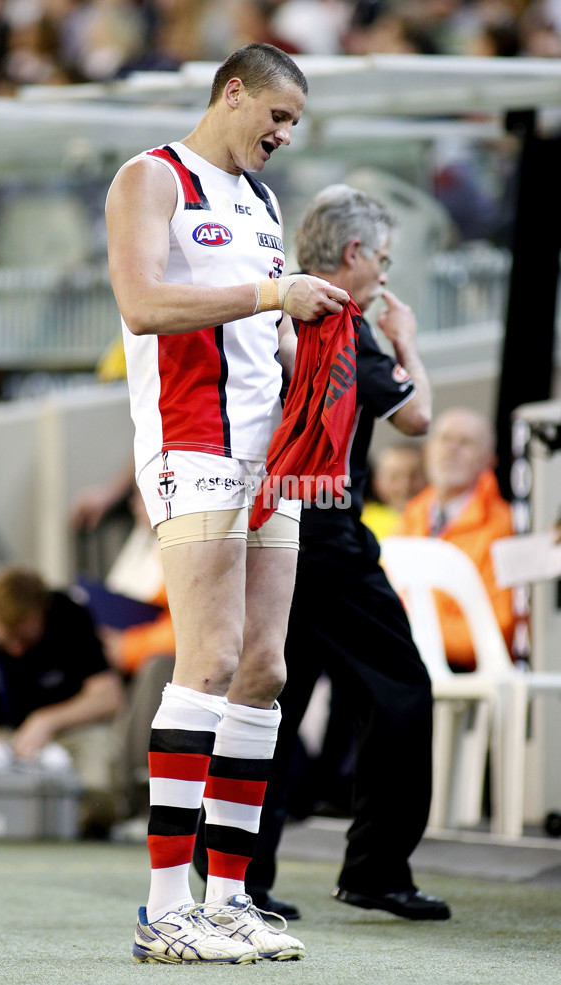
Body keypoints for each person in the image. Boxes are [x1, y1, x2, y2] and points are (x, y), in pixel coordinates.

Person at [105, 42, 350, 965]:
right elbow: (141, 302)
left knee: (264, 668)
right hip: (190, 439)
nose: (284, 136)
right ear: (232, 91)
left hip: (266, 448)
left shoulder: (261, 199)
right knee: (204, 660)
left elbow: (269, 329)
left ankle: (229, 896)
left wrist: (320, 360)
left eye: (295, 126)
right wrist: (270, 291)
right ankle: (165, 909)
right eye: (277, 117)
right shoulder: (150, 178)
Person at [194, 182, 451, 923]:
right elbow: (418, 417)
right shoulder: (344, 322)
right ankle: (376, 866)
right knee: (400, 689)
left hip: (266, 517)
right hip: (327, 531)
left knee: (266, 700)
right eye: (384, 259)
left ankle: (236, 874)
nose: (385, 276)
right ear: (353, 254)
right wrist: (405, 338)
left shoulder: (269, 311)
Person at [0, 565, 125, 836]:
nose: (16, 649)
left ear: (42, 613)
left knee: (100, 758)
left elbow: (108, 696)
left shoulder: (69, 614)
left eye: (24, 638)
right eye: (7, 639)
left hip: (62, 735)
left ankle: (82, 823)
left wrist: (47, 720)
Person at [397, 405, 517, 671]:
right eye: (444, 439)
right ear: (427, 451)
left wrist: (413, 632)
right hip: (405, 658)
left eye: (465, 442)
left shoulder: (504, 525)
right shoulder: (412, 514)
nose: (451, 449)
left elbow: (499, 628)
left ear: (490, 461)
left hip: (463, 670)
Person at [361, 441, 426, 540]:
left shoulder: (439, 522)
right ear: (376, 481)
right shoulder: (359, 523)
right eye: (394, 476)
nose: (404, 485)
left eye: (414, 475)